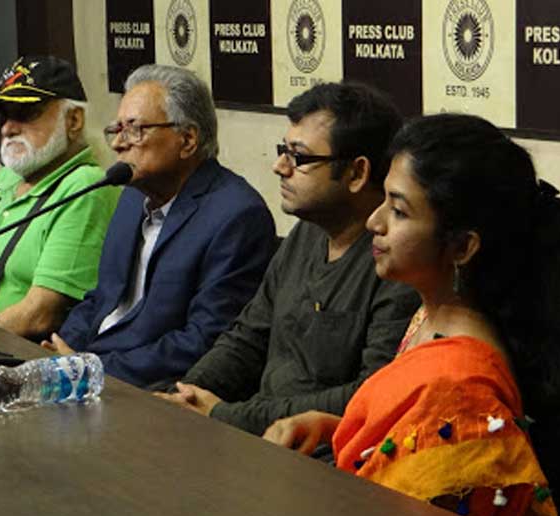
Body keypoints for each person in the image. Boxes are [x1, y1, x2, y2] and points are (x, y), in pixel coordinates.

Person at [264, 114, 560, 516]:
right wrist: (333, 426)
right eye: (383, 199)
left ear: (462, 246)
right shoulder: (430, 315)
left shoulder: (459, 387)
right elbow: (409, 447)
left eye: (399, 211)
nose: (374, 221)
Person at [159, 82, 419, 436]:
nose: (280, 166)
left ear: (357, 173)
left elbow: (368, 396)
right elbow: (247, 339)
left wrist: (226, 415)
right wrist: (185, 396)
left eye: (299, 157)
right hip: (256, 433)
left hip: (319, 452)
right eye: (284, 150)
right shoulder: (306, 234)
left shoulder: (397, 262)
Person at [43, 64, 276, 389]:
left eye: (135, 130)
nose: (118, 143)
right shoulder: (132, 197)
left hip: (152, 389)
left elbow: (203, 340)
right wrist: (61, 349)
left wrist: (94, 369)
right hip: (91, 371)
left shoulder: (237, 216)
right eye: (117, 130)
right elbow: (100, 298)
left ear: (188, 140)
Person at [0, 56, 119, 340]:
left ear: (73, 120)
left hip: (10, 352)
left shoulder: (85, 186)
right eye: (4, 115)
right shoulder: (6, 178)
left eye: (26, 113)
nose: (8, 128)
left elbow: (39, 315)